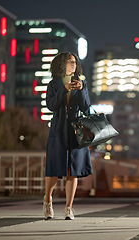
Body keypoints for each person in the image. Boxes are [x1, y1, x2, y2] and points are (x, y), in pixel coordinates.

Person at [43, 52, 93, 220]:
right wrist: (63, 91)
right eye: (69, 61)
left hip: (76, 131)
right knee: (54, 169)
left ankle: (68, 208)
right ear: (61, 64)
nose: (73, 64)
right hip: (58, 130)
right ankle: (47, 200)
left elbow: (86, 108)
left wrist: (81, 90)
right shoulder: (53, 84)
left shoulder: (81, 82)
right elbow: (51, 105)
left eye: (74, 61)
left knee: (73, 171)